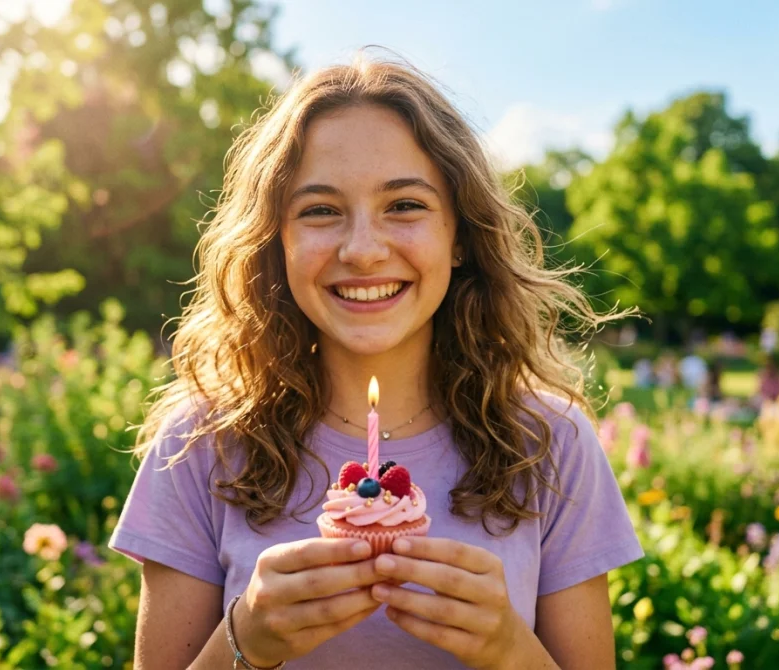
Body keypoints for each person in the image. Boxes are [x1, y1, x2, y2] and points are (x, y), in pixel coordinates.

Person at [107, 57, 643, 669]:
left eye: (405, 205)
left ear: (460, 235)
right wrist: (246, 639)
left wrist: (510, 650)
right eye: (320, 211)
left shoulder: (552, 444)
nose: (362, 250)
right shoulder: (198, 445)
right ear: (275, 241)